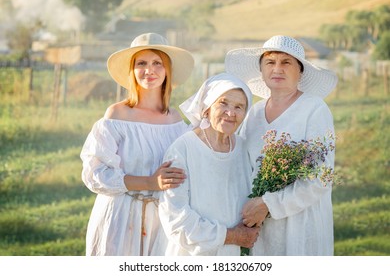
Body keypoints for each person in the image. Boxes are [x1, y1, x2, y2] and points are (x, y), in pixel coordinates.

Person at [80, 33, 195, 256]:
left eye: (157, 63)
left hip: (162, 220)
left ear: (167, 70)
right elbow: (94, 174)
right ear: (132, 70)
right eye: (141, 63)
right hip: (121, 216)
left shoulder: (176, 121)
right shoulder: (117, 115)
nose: (149, 70)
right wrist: (150, 182)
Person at [225, 35, 338, 255]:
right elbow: (243, 167)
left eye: (286, 62)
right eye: (270, 62)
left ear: (300, 71)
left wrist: (268, 204)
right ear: (261, 70)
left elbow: (320, 179)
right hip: (261, 229)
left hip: (301, 224)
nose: (277, 68)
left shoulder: (314, 109)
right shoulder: (254, 113)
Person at [152, 72, 259, 256]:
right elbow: (176, 220)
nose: (231, 113)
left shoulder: (243, 149)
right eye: (223, 103)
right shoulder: (182, 149)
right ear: (206, 108)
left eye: (239, 107)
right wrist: (232, 236)